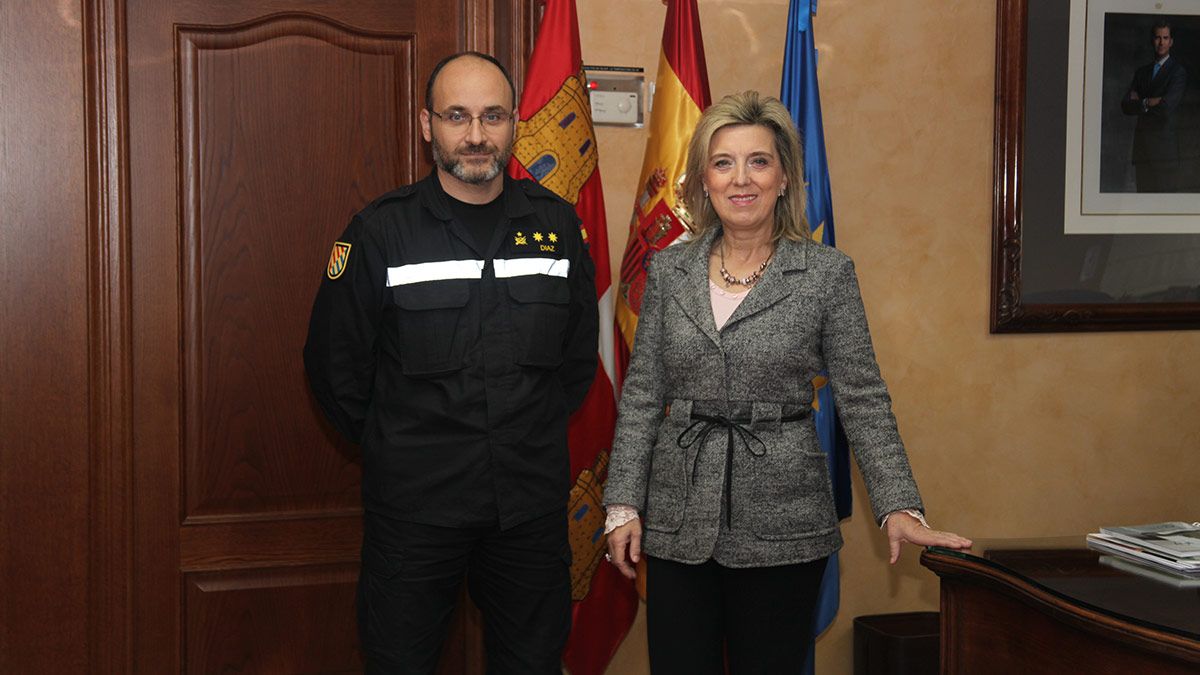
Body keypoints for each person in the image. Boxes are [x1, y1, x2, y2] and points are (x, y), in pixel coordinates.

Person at [602, 91, 971, 673]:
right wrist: (623, 503)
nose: (740, 179)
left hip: (783, 523)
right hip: (677, 521)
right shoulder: (670, 269)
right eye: (723, 162)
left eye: (759, 161)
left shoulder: (826, 273)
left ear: (784, 177)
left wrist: (899, 505)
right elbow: (644, 392)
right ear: (704, 179)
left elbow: (862, 398)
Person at [304, 51, 598, 674]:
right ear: (425, 123)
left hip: (526, 510)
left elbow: (575, 363)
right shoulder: (380, 233)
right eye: (456, 116)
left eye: (492, 116)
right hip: (416, 513)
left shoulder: (556, 227)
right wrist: (399, 446)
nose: (474, 135)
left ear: (515, 122)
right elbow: (336, 369)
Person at [1121, 19, 1188, 193]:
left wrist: (1141, 101)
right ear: (1152, 40)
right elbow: (1126, 105)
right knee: (1143, 206)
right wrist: (1150, 101)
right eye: (1157, 37)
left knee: (1162, 209)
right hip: (1142, 151)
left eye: (1165, 38)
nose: (1161, 42)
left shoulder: (1178, 72)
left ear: (1171, 41)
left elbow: (1166, 108)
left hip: (1165, 153)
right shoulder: (1141, 72)